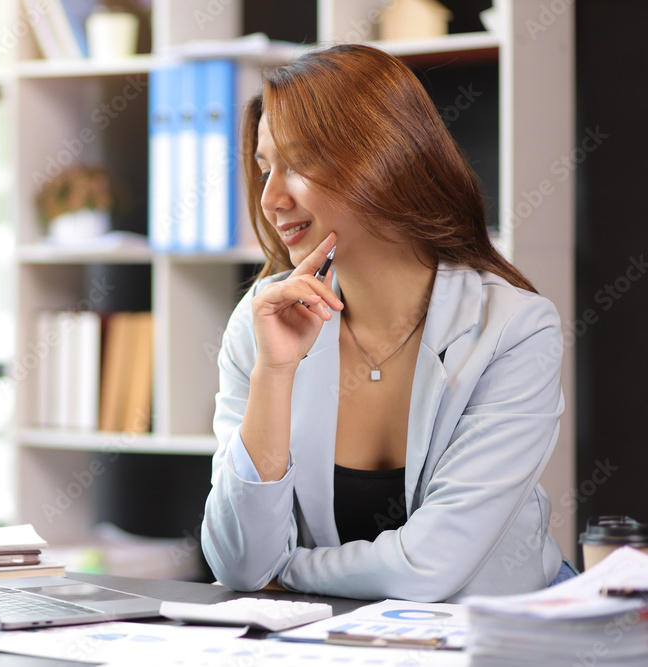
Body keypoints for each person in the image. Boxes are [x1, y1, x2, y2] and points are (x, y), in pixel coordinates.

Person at [201, 44, 571, 602]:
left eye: (297, 163)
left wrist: (289, 571)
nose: (272, 198)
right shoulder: (264, 321)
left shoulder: (516, 330)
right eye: (263, 170)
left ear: (384, 156)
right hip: (341, 640)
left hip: (497, 639)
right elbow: (239, 563)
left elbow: (429, 565)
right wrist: (273, 375)